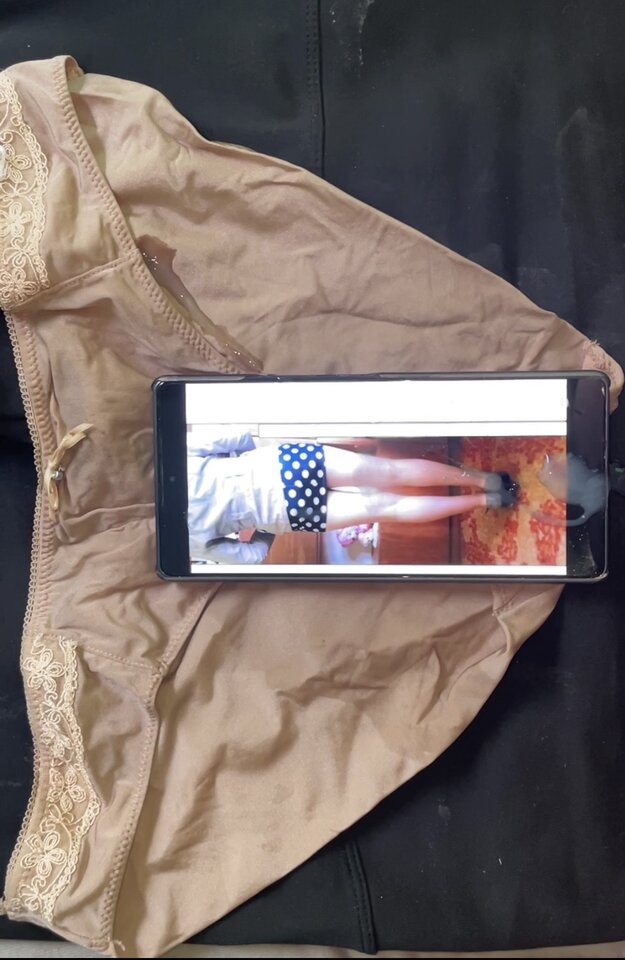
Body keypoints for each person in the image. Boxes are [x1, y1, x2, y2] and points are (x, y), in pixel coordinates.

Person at [187, 427, 519, 564]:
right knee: (393, 472)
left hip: (288, 513)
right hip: (283, 465)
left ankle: (487, 501)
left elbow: (253, 556)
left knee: (392, 509)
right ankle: (485, 480)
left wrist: (265, 527)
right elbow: (237, 437)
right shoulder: (169, 461)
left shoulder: (181, 543)